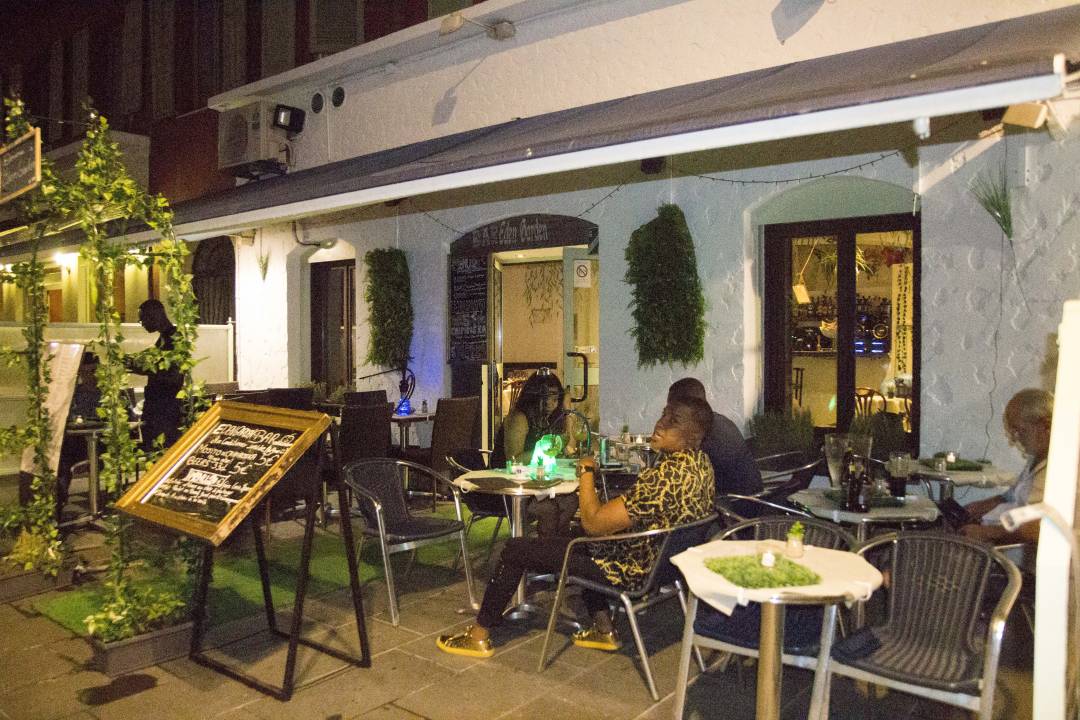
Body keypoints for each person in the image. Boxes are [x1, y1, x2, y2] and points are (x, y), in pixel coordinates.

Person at [436, 396, 715, 658]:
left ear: (693, 435)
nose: (660, 424)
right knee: (576, 538)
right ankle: (604, 630)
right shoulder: (701, 465)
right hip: (662, 568)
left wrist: (586, 472)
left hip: (627, 570)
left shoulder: (666, 477)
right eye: (664, 415)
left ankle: (479, 635)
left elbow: (593, 523)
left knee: (515, 549)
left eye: (673, 421)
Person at [492, 370, 579, 536]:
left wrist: (568, 410)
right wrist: (543, 448)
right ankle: (543, 547)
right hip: (511, 487)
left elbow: (570, 446)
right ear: (534, 397)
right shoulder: (519, 418)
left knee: (571, 501)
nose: (551, 403)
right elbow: (513, 460)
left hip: (537, 482)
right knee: (549, 509)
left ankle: (554, 544)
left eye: (555, 398)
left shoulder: (548, 418)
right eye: (546, 397)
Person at [960, 388, 1053, 544]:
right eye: (1012, 431)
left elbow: (1040, 526)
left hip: (1029, 551)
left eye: (1020, 431)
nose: (1015, 439)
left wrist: (987, 533)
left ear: (1046, 426)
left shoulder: (1059, 469)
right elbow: (1012, 495)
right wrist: (982, 506)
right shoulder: (1037, 458)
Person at [667, 377, 762, 496]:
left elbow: (681, 473)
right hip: (754, 495)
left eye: (672, 408)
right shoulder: (719, 420)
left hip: (734, 502)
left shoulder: (704, 432)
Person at [126, 299, 184, 452]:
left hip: (164, 409)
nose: (142, 324)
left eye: (142, 319)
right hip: (160, 406)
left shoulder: (173, 338)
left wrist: (137, 367)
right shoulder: (166, 337)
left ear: (154, 316)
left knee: (159, 450)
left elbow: (168, 373)